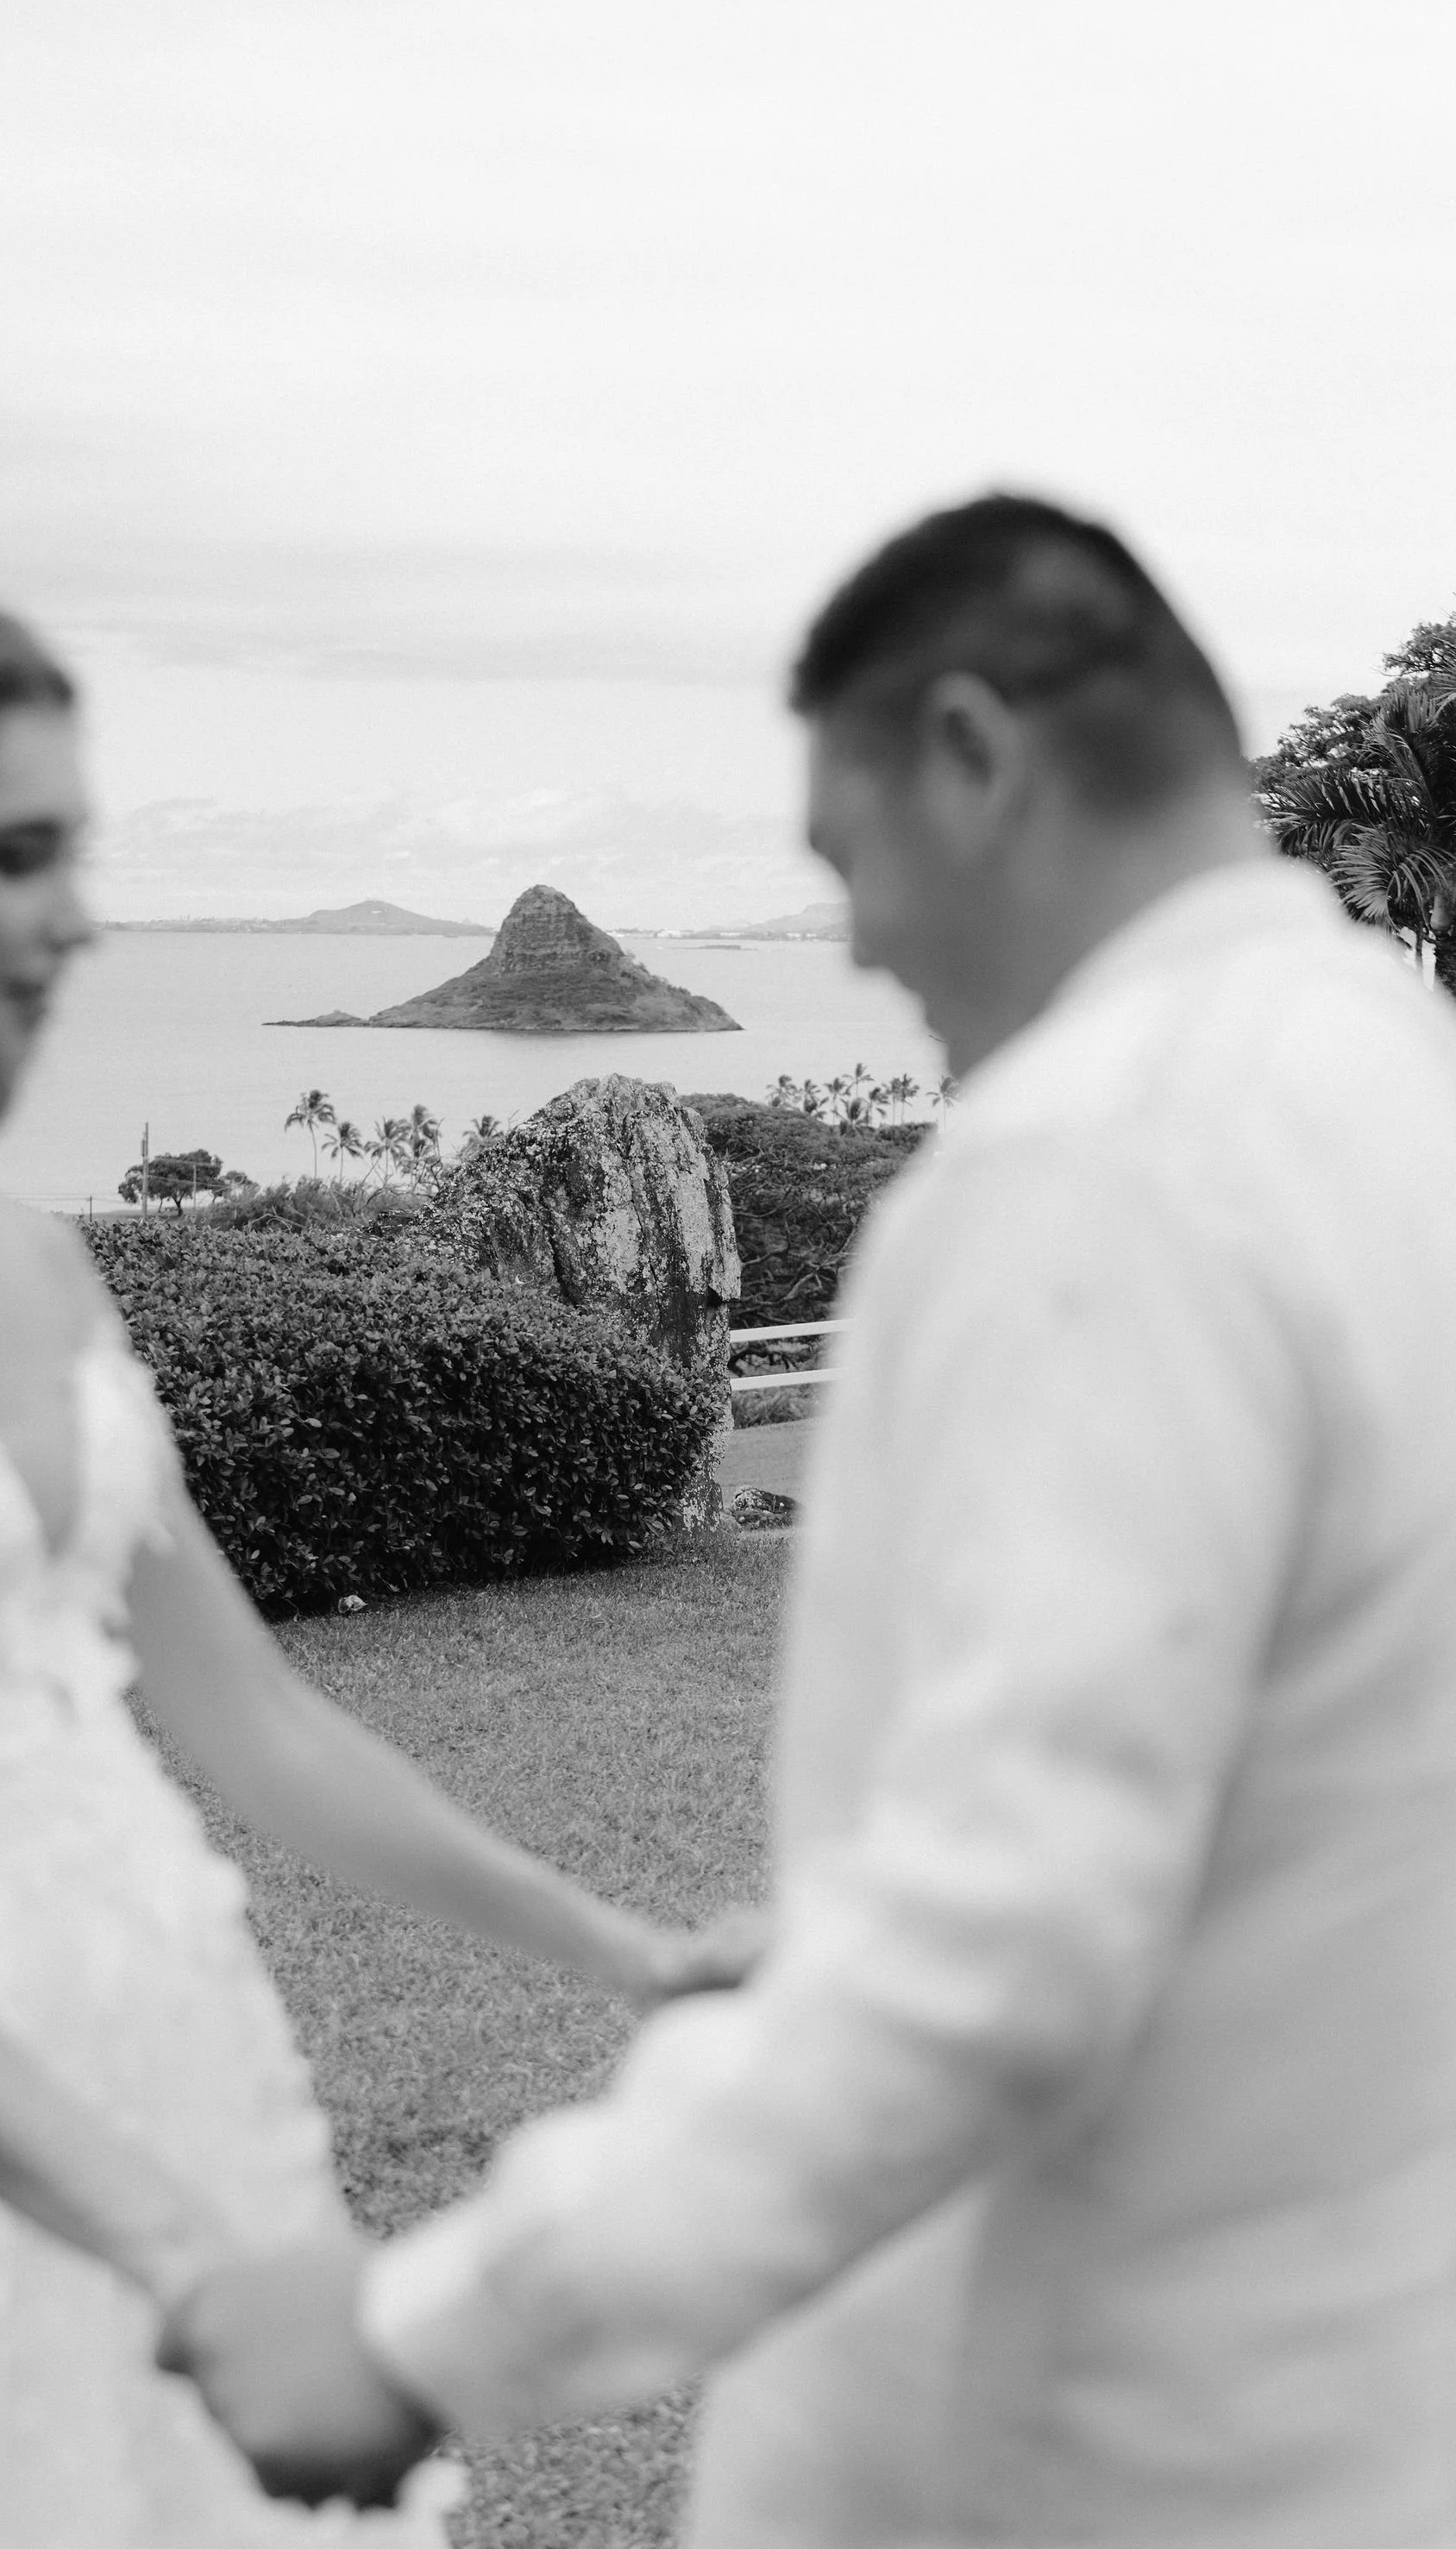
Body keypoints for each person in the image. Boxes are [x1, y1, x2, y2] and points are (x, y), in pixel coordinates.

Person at [165, 493, 1456, 2548]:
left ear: (972, 751)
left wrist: (425, 2334)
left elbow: (1001, 1959)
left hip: (1061, 2434)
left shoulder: (1093, 1172)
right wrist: (854, 1921)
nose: (852, 944)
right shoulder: (1398, 1087)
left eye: (846, 860)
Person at [0, 564, 750, 2549]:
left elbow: (253, 1723)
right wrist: (181, 2263)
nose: (78, 920)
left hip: (167, 2030)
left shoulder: (32, 1260)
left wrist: (623, 1951)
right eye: (18, 857)